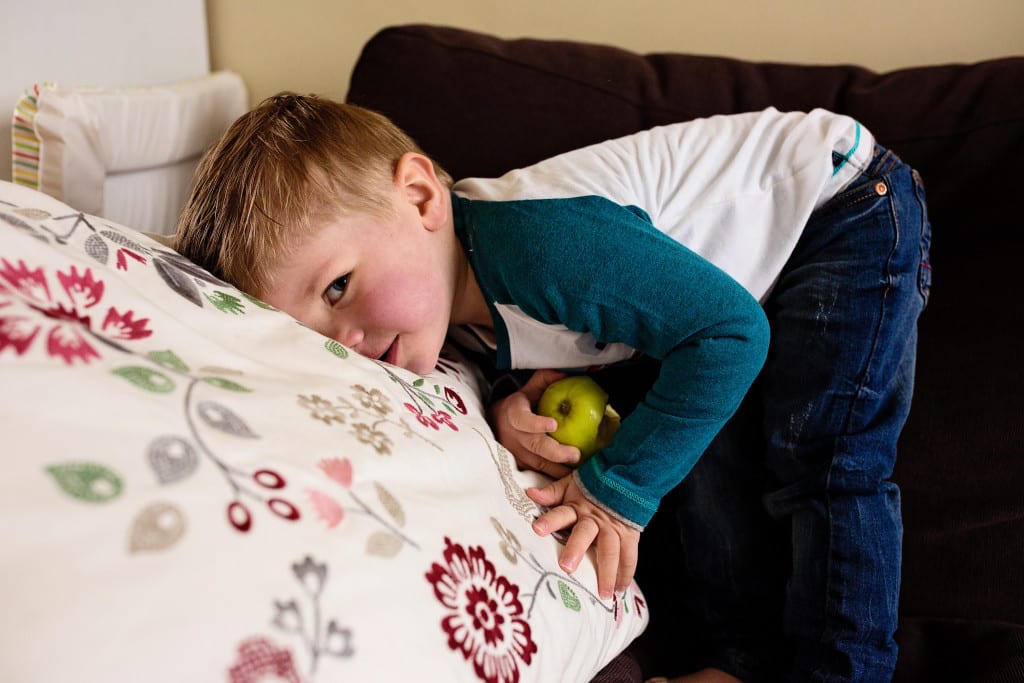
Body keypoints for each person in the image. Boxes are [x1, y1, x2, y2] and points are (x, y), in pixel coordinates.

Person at [174, 93, 932, 683]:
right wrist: (508, 408)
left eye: (339, 285)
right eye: (314, 335)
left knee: (822, 460)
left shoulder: (537, 244)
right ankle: (743, 658)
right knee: (681, 442)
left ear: (421, 197)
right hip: (718, 303)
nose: (347, 345)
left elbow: (731, 334)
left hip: (838, 209)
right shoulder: (448, 315)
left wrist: (614, 492)